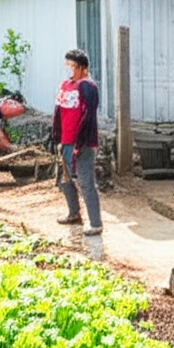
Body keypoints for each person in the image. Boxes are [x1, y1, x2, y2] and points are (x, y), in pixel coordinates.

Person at [52, 48, 103, 237]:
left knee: (85, 180)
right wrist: (57, 137)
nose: (70, 70)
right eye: (68, 65)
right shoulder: (65, 85)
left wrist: (79, 142)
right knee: (65, 179)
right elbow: (59, 113)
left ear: (82, 67)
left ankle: (96, 223)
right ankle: (74, 213)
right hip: (65, 140)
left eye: (73, 66)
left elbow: (88, 116)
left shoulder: (87, 87)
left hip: (82, 143)